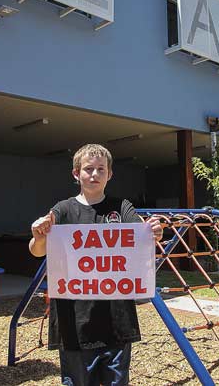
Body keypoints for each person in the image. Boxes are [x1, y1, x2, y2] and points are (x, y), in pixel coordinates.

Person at [29, 143, 162, 386]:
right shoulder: (63, 210)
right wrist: (39, 236)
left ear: (110, 174)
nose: (94, 174)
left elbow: (142, 233)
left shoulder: (122, 207)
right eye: (88, 169)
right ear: (76, 173)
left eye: (101, 169)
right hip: (74, 324)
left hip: (117, 322)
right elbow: (37, 250)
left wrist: (153, 231)